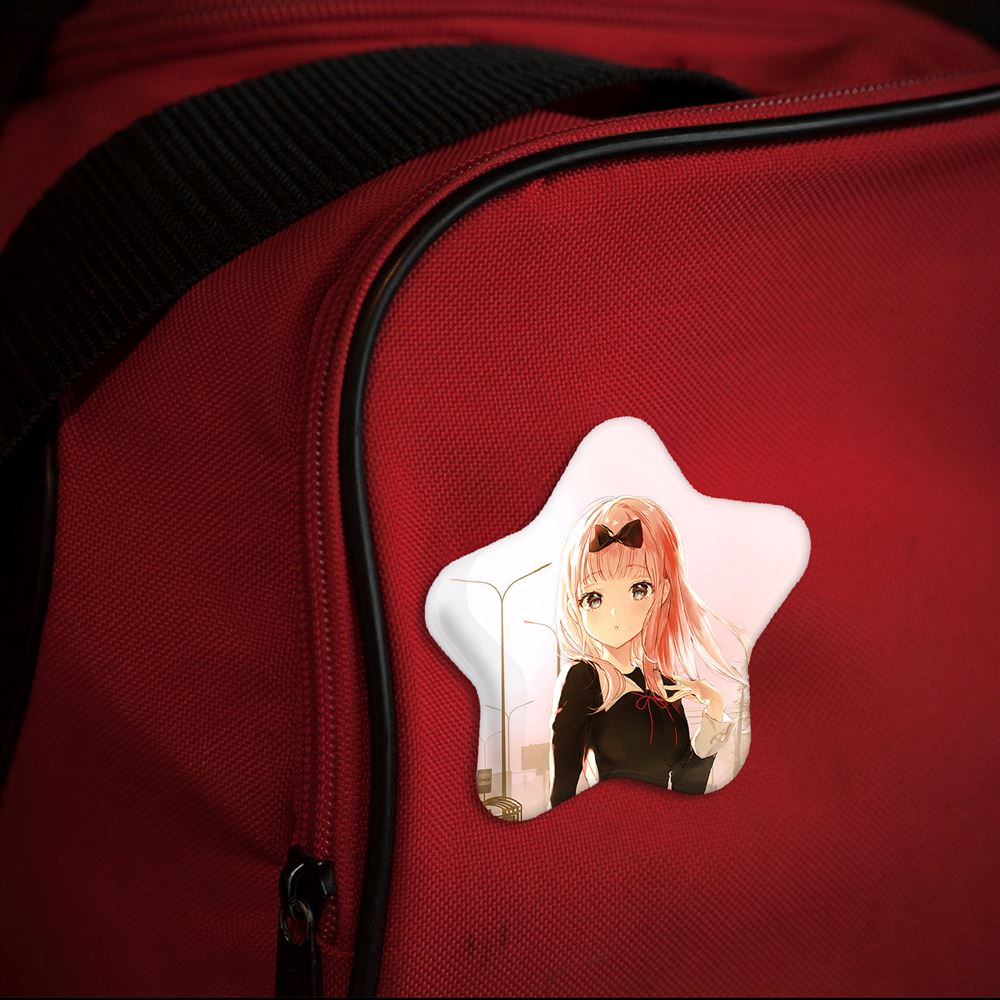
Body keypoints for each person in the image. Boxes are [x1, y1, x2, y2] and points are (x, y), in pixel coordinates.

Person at [549, 494, 750, 807]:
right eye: (594, 597)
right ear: (574, 604)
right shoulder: (585, 679)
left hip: (664, 824)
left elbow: (687, 784)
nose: (615, 615)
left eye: (638, 589)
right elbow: (563, 787)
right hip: (607, 823)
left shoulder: (663, 684)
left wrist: (714, 709)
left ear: (663, 592)